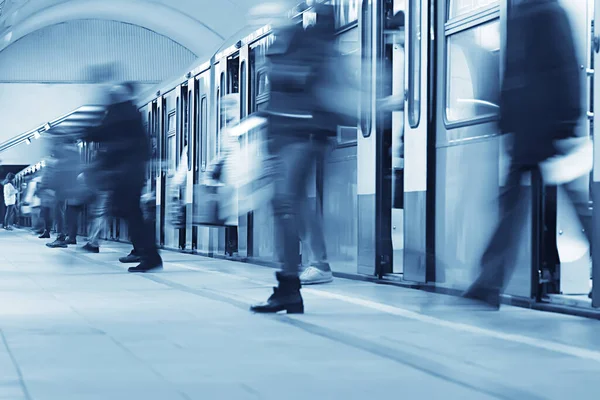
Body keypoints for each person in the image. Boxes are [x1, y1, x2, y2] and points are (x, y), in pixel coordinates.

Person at [463, 0, 589, 307]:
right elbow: (513, 75)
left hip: (549, 130)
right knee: (515, 206)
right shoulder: (526, 13)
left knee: (524, 206)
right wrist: (506, 123)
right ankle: (488, 282)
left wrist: (568, 122)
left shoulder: (545, 12)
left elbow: (566, 67)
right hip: (529, 131)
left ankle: (488, 282)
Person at [250, 3, 340, 313]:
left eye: (268, 16)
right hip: (285, 137)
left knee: (285, 204)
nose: (266, 23)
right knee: (292, 205)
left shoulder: (306, 40)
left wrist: (278, 69)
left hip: (302, 136)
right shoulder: (280, 45)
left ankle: (292, 283)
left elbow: (305, 78)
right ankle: (290, 285)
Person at [83, 82, 162, 272]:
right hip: (128, 173)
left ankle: (150, 255)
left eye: (117, 92)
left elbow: (104, 134)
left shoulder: (124, 112)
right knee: (130, 213)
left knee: (131, 213)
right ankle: (146, 253)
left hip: (128, 174)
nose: (113, 93)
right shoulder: (127, 112)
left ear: (125, 93)